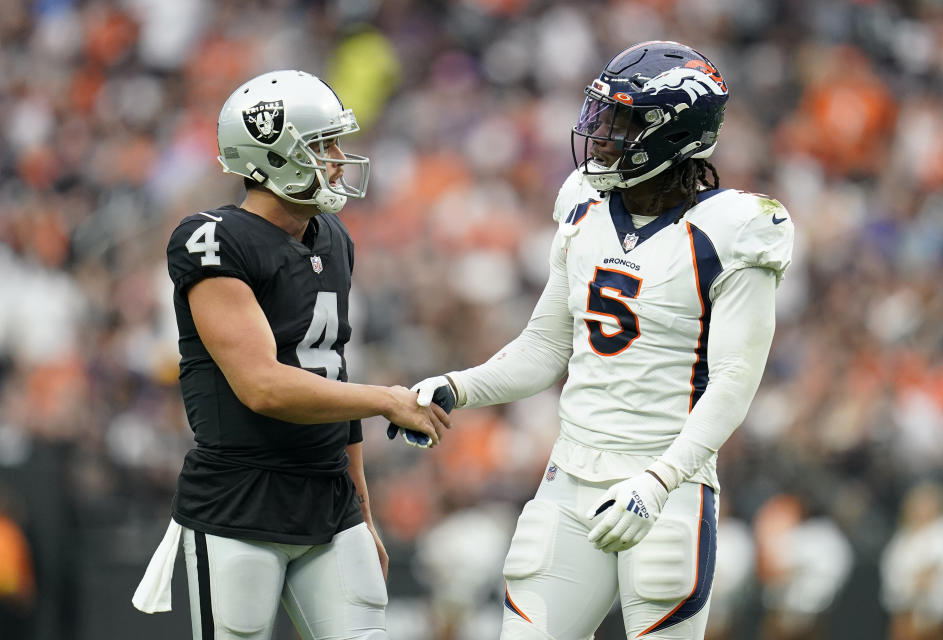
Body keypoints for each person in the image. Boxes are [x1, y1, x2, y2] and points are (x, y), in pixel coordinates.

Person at [405, 41, 794, 639]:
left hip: (666, 486)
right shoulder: (584, 206)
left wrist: (660, 481)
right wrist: (456, 387)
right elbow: (543, 348)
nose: (602, 133)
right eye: (603, 115)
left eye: (624, 120)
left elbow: (735, 381)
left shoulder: (735, 229)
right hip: (570, 478)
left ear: (673, 133)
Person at [132, 69, 450, 640]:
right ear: (273, 155)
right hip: (241, 500)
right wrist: (386, 401)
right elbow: (264, 385)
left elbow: (333, 369)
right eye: (321, 145)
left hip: (329, 498)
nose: (336, 159)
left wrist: (363, 506)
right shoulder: (212, 239)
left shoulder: (331, 236)